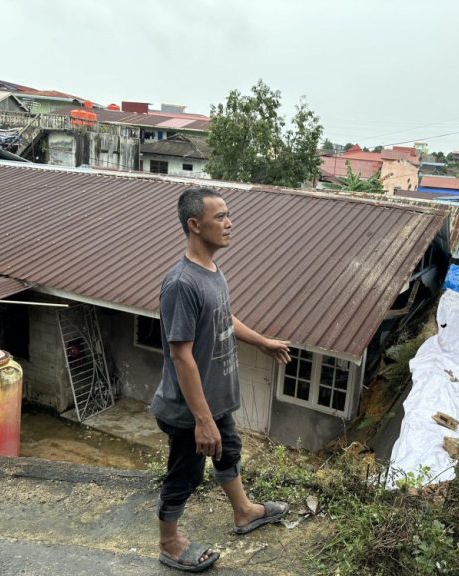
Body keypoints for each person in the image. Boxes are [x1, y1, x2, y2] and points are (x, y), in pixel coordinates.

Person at [151, 186, 291, 572]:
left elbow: (223, 317)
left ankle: (244, 511)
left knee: (229, 449)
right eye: (220, 217)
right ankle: (169, 542)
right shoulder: (182, 283)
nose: (230, 224)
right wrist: (202, 419)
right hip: (188, 409)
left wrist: (262, 342)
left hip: (215, 400)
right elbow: (181, 355)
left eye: (230, 215)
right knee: (186, 471)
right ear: (195, 225)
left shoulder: (212, 271)